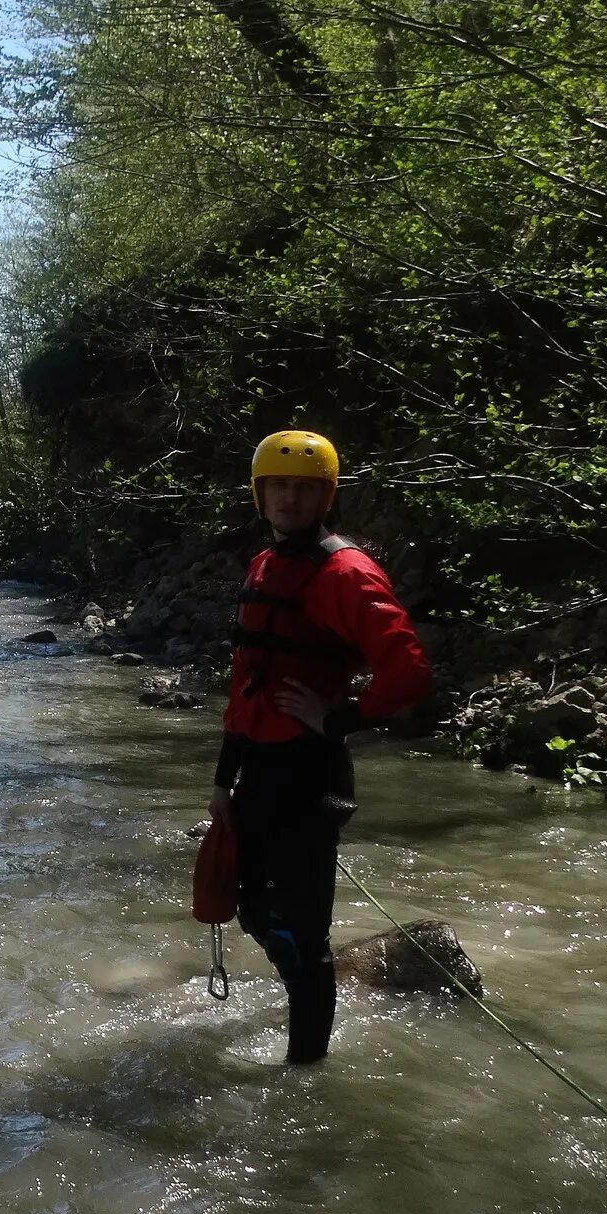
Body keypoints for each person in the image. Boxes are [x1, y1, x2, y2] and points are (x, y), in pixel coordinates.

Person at [208, 431, 431, 1063]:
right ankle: (306, 999)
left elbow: (408, 671)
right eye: (279, 485)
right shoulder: (265, 564)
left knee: (302, 935)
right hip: (259, 771)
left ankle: (305, 1071)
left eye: (306, 488)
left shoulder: (346, 572)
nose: (290, 498)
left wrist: (337, 720)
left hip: (309, 777)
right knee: (246, 906)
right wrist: (224, 779)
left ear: (327, 496)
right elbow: (246, 681)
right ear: (261, 493)